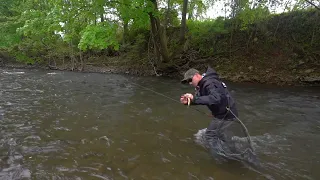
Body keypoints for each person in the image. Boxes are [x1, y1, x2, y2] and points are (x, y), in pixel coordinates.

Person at [179, 66, 257, 165]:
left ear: (197, 75)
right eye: (188, 82)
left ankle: (219, 160)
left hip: (225, 115)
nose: (190, 83)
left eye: (190, 80)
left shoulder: (209, 83)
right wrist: (189, 101)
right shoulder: (204, 84)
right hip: (223, 113)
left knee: (210, 136)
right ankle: (232, 151)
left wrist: (194, 99)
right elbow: (207, 98)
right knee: (220, 135)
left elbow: (215, 98)